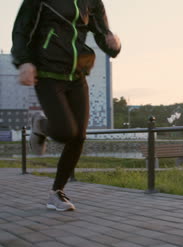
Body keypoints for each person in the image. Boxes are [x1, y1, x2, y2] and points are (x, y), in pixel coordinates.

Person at [11, 0, 121, 211]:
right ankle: (40, 125)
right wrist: (24, 61)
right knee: (64, 132)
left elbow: (101, 32)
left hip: (77, 74)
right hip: (47, 73)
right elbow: (21, 30)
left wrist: (113, 43)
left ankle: (57, 192)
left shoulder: (92, 2)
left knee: (78, 136)